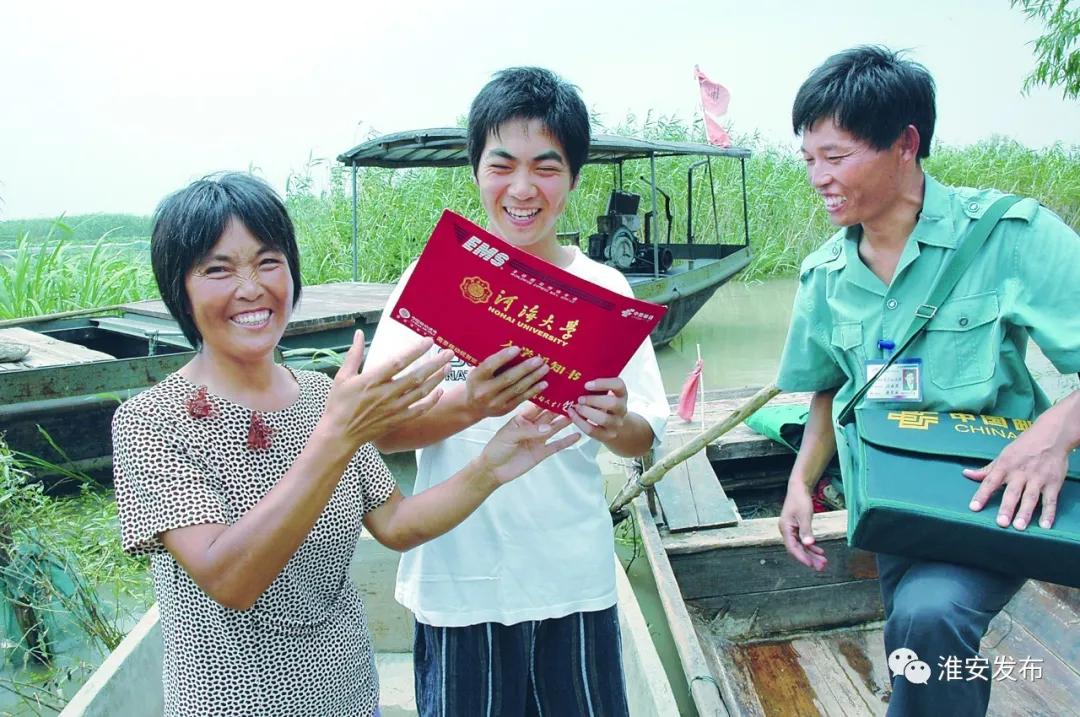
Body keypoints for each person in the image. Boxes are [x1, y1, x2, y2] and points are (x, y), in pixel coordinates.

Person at [111, 173, 580, 717]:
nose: (250, 287)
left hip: (348, 691)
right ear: (180, 290)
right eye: (218, 269)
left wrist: (491, 466)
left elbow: (396, 524)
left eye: (268, 262)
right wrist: (338, 435)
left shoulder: (324, 396)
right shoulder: (149, 422)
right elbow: (231, 579)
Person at [775, 46, 1080, 716]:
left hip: (994, 492)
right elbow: (830, 388)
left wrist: (1054, 432)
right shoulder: (824, 274)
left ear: (906, 143)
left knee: (926, 618)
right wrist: (801, 484)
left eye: (836, 155)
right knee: (924, 639)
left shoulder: (1010, 234)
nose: (817, 177)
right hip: (890, 503)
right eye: (808, 159)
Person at [366, 67, 668, 716]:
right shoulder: (435, 281)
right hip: (458, 585)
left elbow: (647, 428)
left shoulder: (604, 289)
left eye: (546, 167)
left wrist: (612, 422)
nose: (523, 189)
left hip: (573, 583)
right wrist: (470, 401)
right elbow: (380, 428)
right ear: (476, 169)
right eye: (502, 165)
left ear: (574, 177)